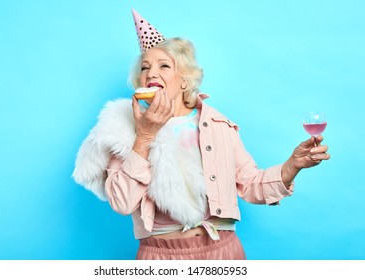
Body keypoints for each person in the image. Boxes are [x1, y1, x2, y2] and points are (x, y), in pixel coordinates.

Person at [72, 9, 330, 260]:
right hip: (161, 258)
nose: (151, 73)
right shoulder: (121, 129)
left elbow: (251, 183)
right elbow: (121, 202)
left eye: (164, 66)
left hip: (223, 254)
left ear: (184, 80)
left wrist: (292, 166)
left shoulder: (217, 125)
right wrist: (145, 136)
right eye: (145, 68)